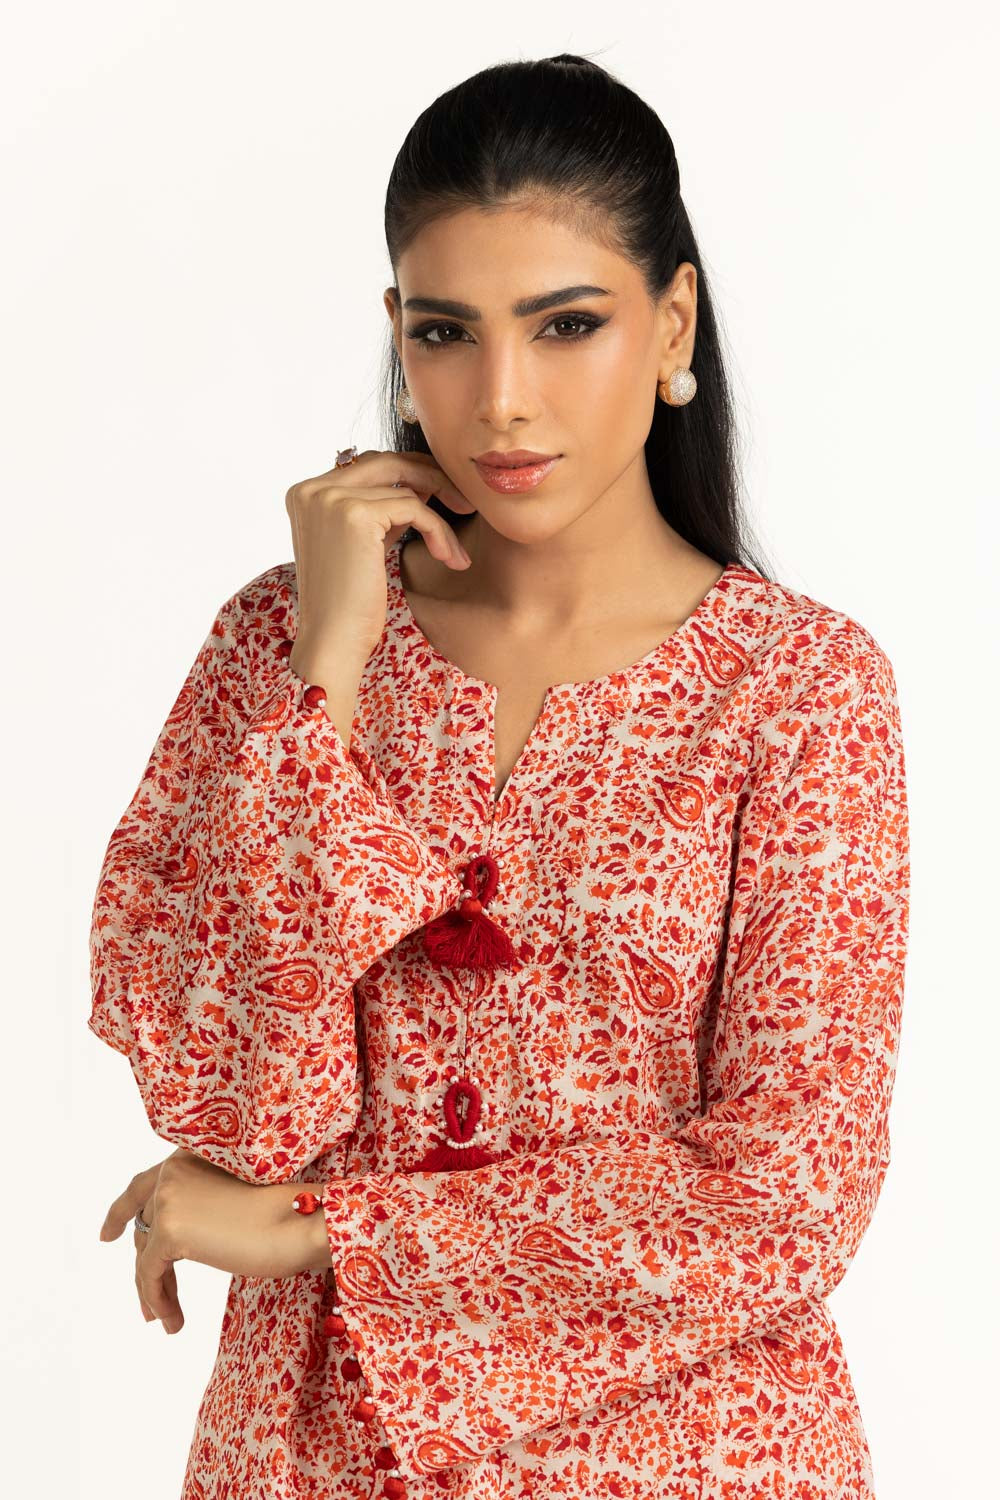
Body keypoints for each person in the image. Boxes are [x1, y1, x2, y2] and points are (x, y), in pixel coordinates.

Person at [89, 51, 910, 1500]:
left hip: (691, 1456)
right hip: (313, 1454)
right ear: (397, 337)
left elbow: (790, 1194)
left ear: (672, 324)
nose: (502, 400)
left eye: (567, 324)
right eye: (447, 333)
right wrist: (326, 672)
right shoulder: (277, 646)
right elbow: (233, 1105)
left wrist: (332, 1234)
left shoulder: (799, 689)